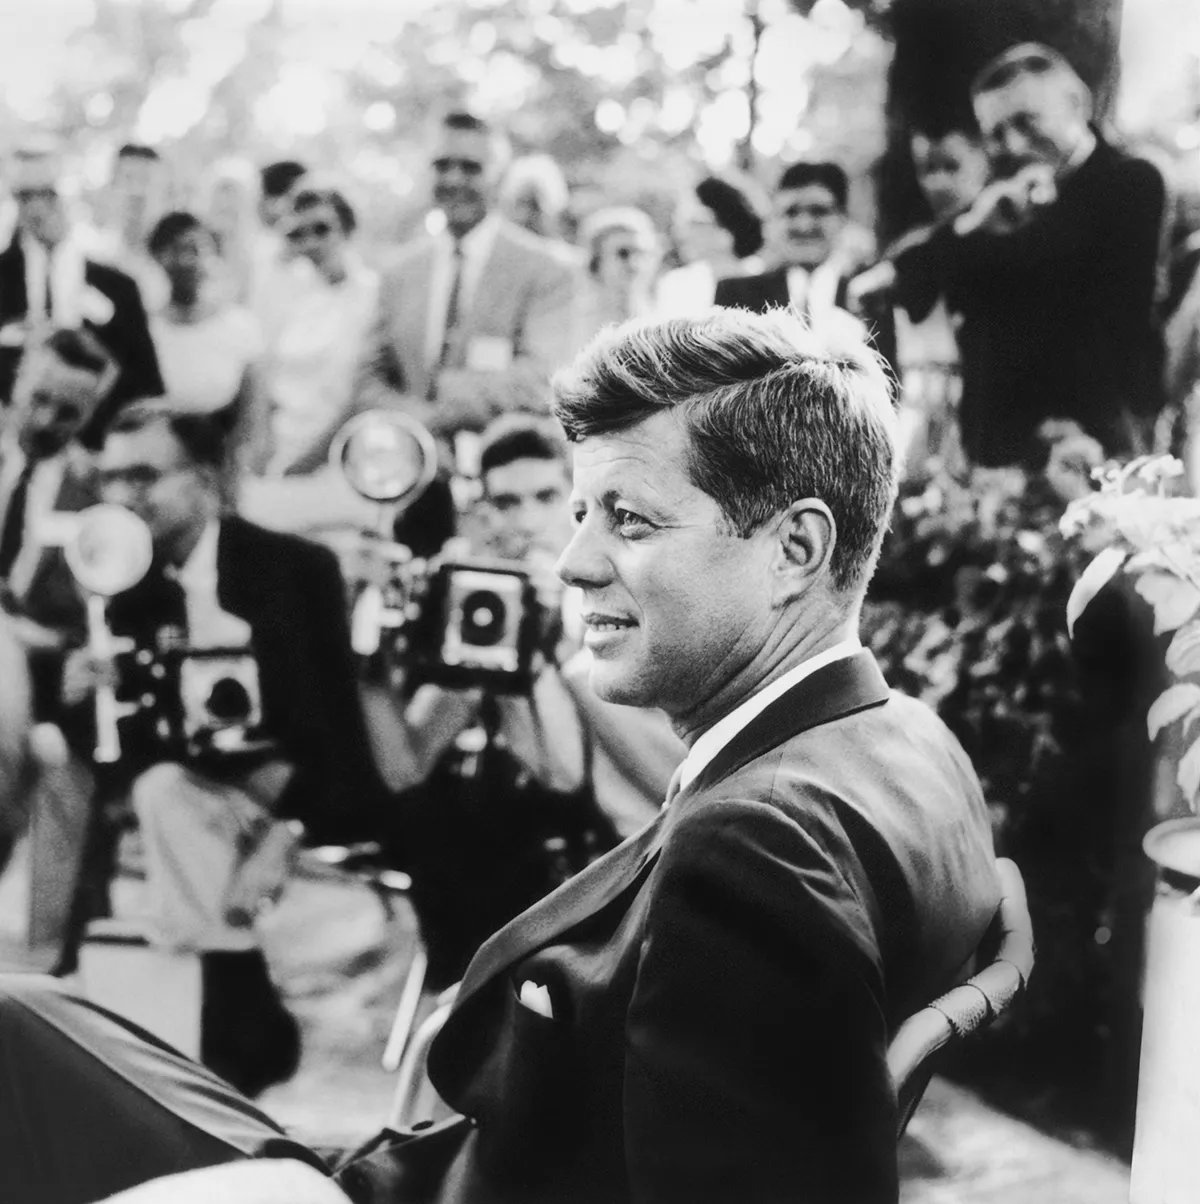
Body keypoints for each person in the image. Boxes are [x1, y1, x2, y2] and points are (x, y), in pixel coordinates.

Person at [0, 307, 1001, 1204]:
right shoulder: (910, 745)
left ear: (796, 550)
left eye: (629, 518)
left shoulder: (760, 850)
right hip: (418, 1159)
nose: (572, 563)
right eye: (579, 515)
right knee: (22, 1019)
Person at [39, 404, 388, 1095]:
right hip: (198, 806)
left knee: (169, 800)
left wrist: (283, 838)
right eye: (110, 479)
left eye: (144, 475)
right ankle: (241, 998)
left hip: (298, 795)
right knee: (160, 792)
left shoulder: (294, 569)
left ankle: (227, 1016)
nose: (123, 497)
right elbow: (126, 762)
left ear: (205, 479)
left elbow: (336, 736)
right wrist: (83, 703)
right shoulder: (119, 585)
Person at [360, 414, 681, 986]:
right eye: (507, 503)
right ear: (482, 513)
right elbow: (404, 769)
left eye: (545, 497)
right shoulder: (484, 607)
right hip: (515, 880)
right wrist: (370, 662)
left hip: (634, 868)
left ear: (581, 504)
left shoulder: (641, 599)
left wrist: (563, 647)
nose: (528, 520)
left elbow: (663, 777)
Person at [879, 41, 1168, 467]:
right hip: (995, 446)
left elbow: (1064, 272)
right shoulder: (997, 202)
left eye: (1027, 122)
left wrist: (979, 240)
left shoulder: (1129, 181)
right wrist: (973, 225)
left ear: (1077, 105)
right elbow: (914, 283)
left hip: (1090, 437)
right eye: (994, 133)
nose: (1012, 144)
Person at [356, 111, 579, 443]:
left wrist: (444, 405)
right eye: (443, 166)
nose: (454, 180)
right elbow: (368, 380)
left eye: (470, 167)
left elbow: (543, 376)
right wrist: (414, 420)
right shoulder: (397, 272)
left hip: (508, 465)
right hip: (413, 467)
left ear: (500, 177)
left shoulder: (545, 268)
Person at [850, 124, 989, 476]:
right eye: (928, 171)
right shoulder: (915, 247)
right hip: (918, 402)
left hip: (978, 407)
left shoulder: (1000, 241)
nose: (939, 183)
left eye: (952, 167)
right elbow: (864, 293)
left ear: (984, 161)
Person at [0, 140, 163, 432]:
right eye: (26, 196)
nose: (38, 207)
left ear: (69, 195)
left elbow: (145, 382)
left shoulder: (117, 285)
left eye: (48, 194)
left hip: (93, 446)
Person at [257, 182, 380, 476]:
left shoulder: (374, 295)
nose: (311, 243)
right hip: (280, 450)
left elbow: (362, 393)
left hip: (342, 454)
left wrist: (310, 460)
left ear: (347, 230)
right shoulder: (293, 296)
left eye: (322, 229)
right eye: (299, 234)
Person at [146, 211, 264, 476]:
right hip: (160, 459)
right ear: (158, 257)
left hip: (220, 459)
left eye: (196, 249)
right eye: (175, 250)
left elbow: (252, 409)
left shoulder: (239, 326)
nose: (187, 261)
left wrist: (239, 466)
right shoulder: (145, 329)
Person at [655, 175, 764, 318]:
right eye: (681, 222)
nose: (681, 233)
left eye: (695, 221)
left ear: (727, 230)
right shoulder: (677, 285)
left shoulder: (765, 281)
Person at [88, 142, 172, 315]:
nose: (137, 192)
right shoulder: (94, 258)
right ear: (111, 187)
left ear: (164, 191)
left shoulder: (178, 261)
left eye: (146, 180)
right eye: (128, 179)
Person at [572, 206, 661, 349]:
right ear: (596, 262)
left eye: (642, 253)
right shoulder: (573, 323)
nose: (634, 264)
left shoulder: (663, 318)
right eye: (623, 254)